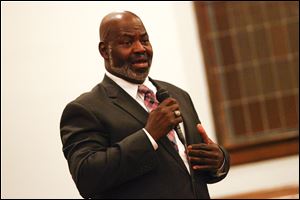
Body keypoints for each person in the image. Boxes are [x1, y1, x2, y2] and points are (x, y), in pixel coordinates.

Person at [60, 11, 230, 199]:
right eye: (127, 42)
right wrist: (148, 136)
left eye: (145, 40)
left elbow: (187, 169)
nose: (140, 48)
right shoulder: (85, 109)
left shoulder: (177, 95)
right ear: (104, 50)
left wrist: (219, 161)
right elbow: (87, 178)